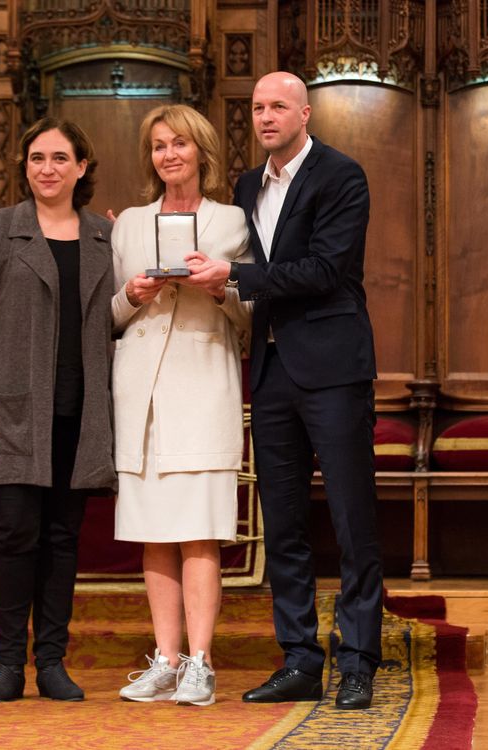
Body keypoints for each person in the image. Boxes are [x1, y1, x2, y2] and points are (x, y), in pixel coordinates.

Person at [185, 71, 382, 710]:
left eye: (278, 106)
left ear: (304, 113)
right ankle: (299, 659)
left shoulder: (341, 175)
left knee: (353, 523)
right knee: (285, 526)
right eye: (257, 108)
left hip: (333, 368)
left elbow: (326, 270)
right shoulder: (247, 185)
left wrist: (237, 275)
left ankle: (357, 662)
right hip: (269, 372)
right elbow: (237, 262)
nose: (266, 116)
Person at [0, 117, 116, 702]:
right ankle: (8, 665)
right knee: (13, 534)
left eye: (58, 158)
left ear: (81, 167)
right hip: (11, 410)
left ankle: (51, 661)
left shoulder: (104, 236)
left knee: (63, 538)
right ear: (25, 166)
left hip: (81, 412)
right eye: (36, 158)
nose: (46, 168)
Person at [109, 104, 252, 706]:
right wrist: (131, 293)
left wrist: (220, 288)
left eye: (180, 145)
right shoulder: (128, 224)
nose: (169, 155)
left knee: (198, 533)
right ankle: (165, 660)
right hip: (140, 390)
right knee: (155, 532)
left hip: (201, 383)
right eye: (159, 146)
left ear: (202, 152)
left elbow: (249, 320)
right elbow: (111, 318)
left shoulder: (233, 219)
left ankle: (200, 662)